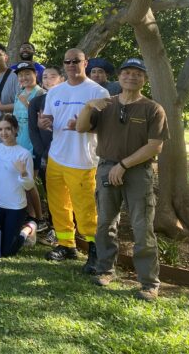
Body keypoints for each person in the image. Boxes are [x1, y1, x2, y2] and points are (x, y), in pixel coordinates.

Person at [76, 58, 168, 301]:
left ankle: (149, 283)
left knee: (141, 226)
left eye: (137, 74)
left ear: (144, 79)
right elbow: (81, 128)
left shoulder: (152, 109)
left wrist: (124, 165)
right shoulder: (106, 105)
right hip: (106, 167)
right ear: (119, 77)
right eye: (126, 73)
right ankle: (106, 270)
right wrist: (88, 107)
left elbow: (154, 147)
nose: (131, 77)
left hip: (138, 171)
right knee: (105, 222)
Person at [39, 48, 109, 269]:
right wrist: (44, 123)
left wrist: (83, 126)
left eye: (75, 61)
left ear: (85, 63)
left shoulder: (98, 92)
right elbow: (49, 119)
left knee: (85, 207)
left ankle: (94, 249)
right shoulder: (55, 92)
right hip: (56, 156)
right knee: (58, 205)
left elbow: (106, 128)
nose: (71, 65)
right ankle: (66, 244)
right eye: (67, 61)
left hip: (83, 159)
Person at [0, 114, 37, 257]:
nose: (4, 133)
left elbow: (29, 186)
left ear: (15, 129)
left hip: (16, 207)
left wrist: (23, 173)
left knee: (7, 252)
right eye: (0, 129)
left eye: (8, 129)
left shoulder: (24, 154)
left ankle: (29, 228)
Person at [12, 61, 45, 228]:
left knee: (29, 183)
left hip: (33, 146)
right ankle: (29, 216)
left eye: (27, 74)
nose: (23, 78)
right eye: (20, 75)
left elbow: (43, 119)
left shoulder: (42, 93)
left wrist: (27, 103)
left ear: (35, 75)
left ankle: (39, 218)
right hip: (18, 145)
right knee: (21, 183)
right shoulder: (19, 94)